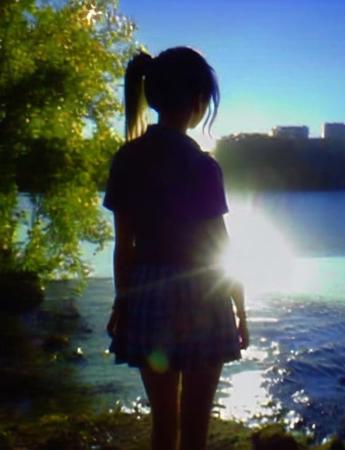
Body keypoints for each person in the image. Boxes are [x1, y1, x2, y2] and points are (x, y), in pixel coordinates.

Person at [103, 46, 249, 450]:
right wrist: (241, 309)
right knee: (195, 428)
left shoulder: (127, 159)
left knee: (163, 425)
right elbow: (220, 247)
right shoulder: (202, 166)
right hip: (203, 299)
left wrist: (122, 302)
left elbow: (123, 246)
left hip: (147, 295)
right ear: (198, 102)